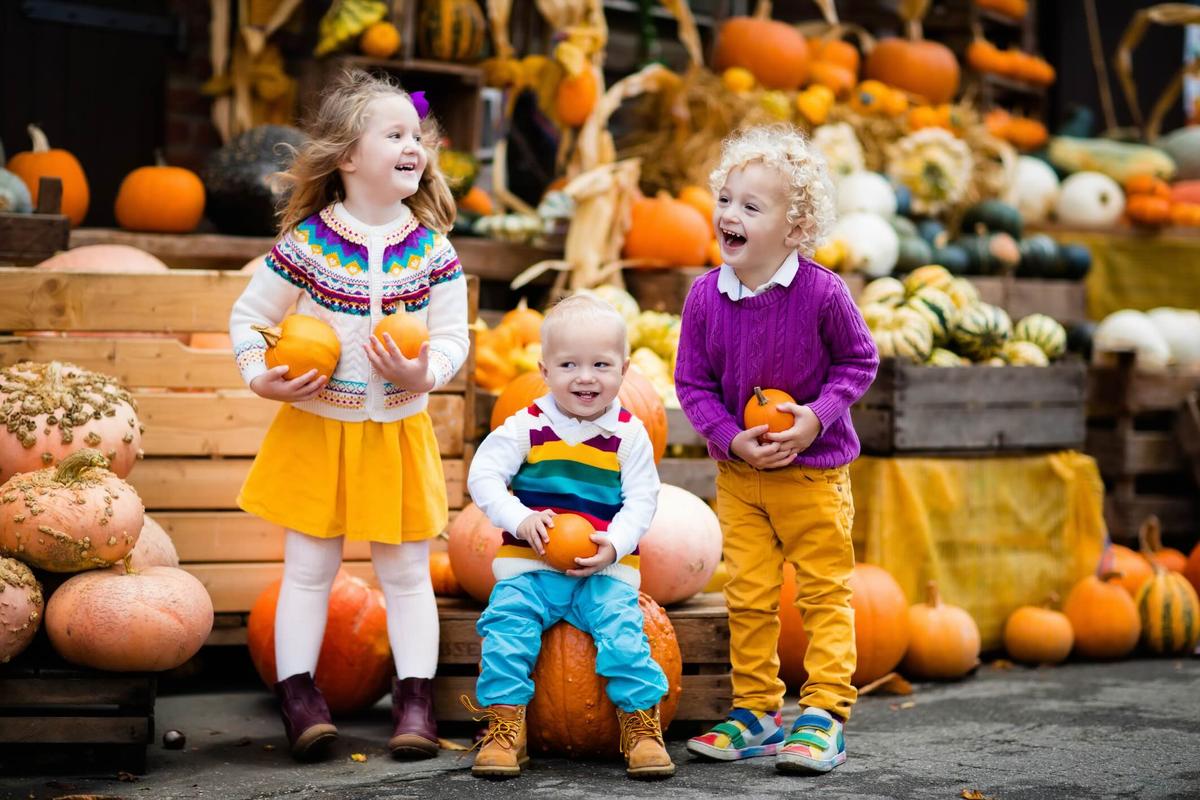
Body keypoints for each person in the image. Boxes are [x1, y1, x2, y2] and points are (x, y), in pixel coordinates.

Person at [228, 69, 469, 762]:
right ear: (347, 157)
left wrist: (424, 373)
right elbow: (250, 318)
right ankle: (299, 696)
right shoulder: (307, 244)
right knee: (308, 569)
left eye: (415, 135)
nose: (412, 146)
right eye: (392, 133)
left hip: (397, 431)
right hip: (316, 427)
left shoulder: (431, 249)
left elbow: (454, 337)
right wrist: (261, 377)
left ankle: (415, 699)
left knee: (406, 573)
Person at [674, 124, 878, 774]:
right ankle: (757, 711)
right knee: (749, 596)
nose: (729, 214)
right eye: (726, 199)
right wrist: (729, 436)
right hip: (740, 477)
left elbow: (859, 362)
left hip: (812, 475)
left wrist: (817, 418)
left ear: (795, 231)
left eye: (750, 207)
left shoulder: (823, 293)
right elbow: (692, 384)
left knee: (823, 595)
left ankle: (824, 713)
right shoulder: (705, 297)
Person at [463, 294, 674, 781]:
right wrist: (518, 519)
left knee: (625, 635)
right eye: (569, 364)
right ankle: (505, 728)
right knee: (506, 631)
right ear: (544, 369)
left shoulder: (629, 433)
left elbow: (643, 498)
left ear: (623, 369)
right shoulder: (525, 426)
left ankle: (641, 726)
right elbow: (484, 477)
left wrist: (615, 544)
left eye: (601, 364)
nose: (585, 376)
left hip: (602, 568)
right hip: (532, 568)